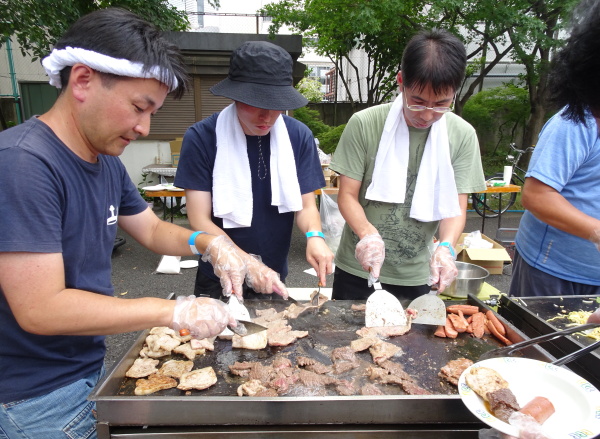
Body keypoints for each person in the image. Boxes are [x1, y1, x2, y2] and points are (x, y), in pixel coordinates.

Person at [0, 9, 274, 439]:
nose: (144, 127)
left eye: (154, 112)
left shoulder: (103, 160)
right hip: (34, 398)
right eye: (138, 107)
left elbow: (149, 229)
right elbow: (41, 308)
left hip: (80, 371)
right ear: (83, 81)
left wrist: (209, 243)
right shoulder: (23, 165)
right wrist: (173, 311)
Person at [329, 29, 486, 301]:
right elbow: (347, 195)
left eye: (441, 104)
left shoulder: (461, 135)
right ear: (401, 81)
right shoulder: (365, 124)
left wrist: (446, 247)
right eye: (417, 101)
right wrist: (367, 235)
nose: (427, 115)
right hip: (358, 268)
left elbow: (455, 207)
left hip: (419, 273)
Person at [175, 40, 334, 300]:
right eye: (257, 103)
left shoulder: (298, 136)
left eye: (276, 104)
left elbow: (305, 206)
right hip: (218, 271)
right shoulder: (202, 137)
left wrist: (315, 236)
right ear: (235, 95)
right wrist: (247, 263)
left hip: (272, 273)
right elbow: (199, 218)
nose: (268, 116)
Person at [508, 0, 600, 299]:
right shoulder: (575, 122)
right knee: (540, 345)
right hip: (552, 270)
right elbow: (536, 195)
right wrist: (596, 230)